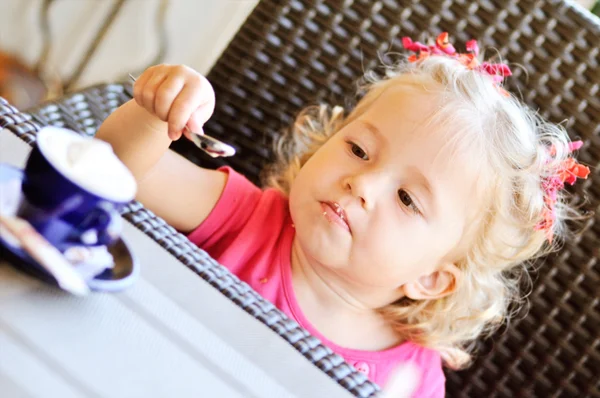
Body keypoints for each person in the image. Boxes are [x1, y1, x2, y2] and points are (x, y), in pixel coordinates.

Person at [96, 33, 590, 396]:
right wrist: (157, 112)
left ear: (432, 278)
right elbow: (115, 166)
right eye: (358, 149)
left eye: (406, 199)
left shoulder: (409, 381)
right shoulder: (244, 217)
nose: (364, 183)